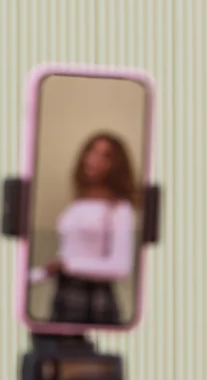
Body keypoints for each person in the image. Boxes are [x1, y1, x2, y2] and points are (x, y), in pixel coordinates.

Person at [41, 132, 138, 326]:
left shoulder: (119, 209)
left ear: (115, 165)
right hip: (64, 295)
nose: (95, 160)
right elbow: (66, 254)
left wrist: (69, 265)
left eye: (105, 156)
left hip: (94, 300)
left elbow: (121, 267)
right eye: (92, 152)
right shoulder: (76, 205)